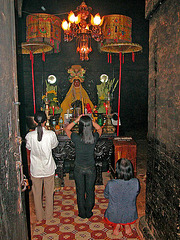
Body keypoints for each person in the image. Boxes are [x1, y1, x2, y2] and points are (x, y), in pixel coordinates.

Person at [65, 114, 102, 218]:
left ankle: (82, 213)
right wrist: (90, 121)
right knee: (90, 191)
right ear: (90, 125)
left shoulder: (76, 137)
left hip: (79, 168)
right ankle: (89, 212)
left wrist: (77, 120)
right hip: (90, 167)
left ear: (80, 126)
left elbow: (67, 129)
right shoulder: (94, 137)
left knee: (80, 191)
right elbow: (99, 128)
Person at [25, 111, 59, 221]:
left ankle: (40, 216)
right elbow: (54, 145)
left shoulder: (29, 136)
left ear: (34, 121)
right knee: (49, 193)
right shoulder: (51, 134)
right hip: (48, 167)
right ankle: (49, 216)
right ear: (45, 121)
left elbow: (29, 147)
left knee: (37, 193)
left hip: (36, 169)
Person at [104, 158, 140, 236]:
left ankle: (117, 225)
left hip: (114, 214)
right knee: (126, 208)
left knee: (116, 209)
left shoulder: (111, 183)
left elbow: (106, 195)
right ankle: (127, 225)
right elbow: (135, 194)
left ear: (117, 170)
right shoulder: (136, 182)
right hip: (130, 214)